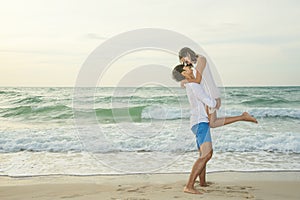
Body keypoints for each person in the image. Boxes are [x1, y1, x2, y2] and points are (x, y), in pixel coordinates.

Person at [172, 64, 258, 194]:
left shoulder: (191, 85)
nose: (190, 67)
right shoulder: (194, 86)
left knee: (203, 154)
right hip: (200, 123)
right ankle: (189, 186)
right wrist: (216, 103)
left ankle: (202, 182)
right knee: (207, 154)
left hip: (197, 123)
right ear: (184, 73)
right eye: (187, 67)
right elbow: (209, 102)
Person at [178, 47, 257, 128]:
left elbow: (198, 80)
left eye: (185, 61)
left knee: (212, 123)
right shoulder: (195, 64)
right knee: (212, 123)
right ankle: (243, 117)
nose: (186, 63)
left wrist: (185, 81)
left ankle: (243, 117)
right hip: (208, 94)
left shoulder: (201, 59)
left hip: (211, 94)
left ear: (187, 54)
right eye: (184, 63)